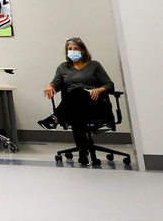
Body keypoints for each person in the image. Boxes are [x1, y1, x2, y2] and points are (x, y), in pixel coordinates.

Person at [39, 37, 114, 165]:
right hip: (76, 107)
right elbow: (55, 84)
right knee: (76, 114)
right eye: (70, 49)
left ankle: (55, 117)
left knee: (77, 91)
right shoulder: (63, 67)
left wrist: (98, 90)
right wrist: (49, 86)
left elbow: (109, 85)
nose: (72, 51)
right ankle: (83, 155)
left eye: (75, 48)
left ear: (83, 51)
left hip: (95, 103)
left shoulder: (94, 65)